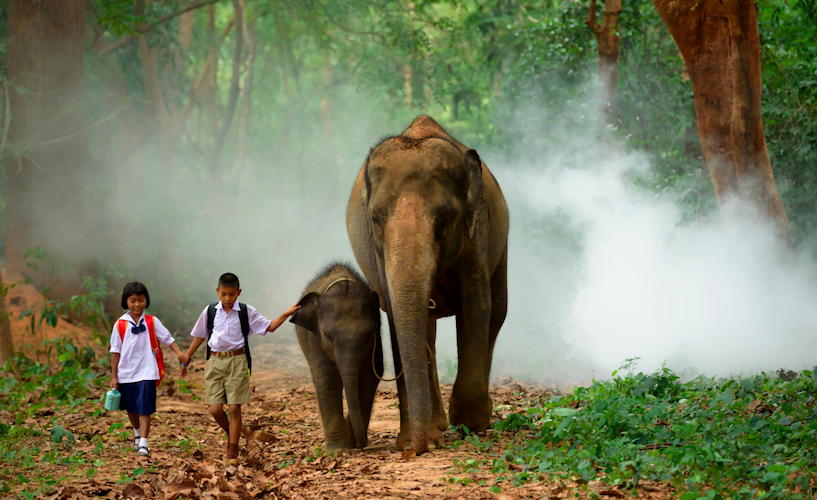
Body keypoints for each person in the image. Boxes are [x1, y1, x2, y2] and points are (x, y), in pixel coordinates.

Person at [180, 272, 299, 465]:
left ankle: (232, 452)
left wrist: (286, 313)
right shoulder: (210, 311)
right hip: (215, 362)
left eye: (232, 294)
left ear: (239, 293)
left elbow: (269, 327)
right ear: (218, 291)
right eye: (224, 294)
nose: (227, 299)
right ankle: (233, 433)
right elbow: (200, 336)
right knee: (215, 409)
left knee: (235, 408)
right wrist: (186, 359)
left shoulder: (246, 312)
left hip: (237, 361)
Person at [110, 282, 190, 457]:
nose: (137, 304)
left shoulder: (152, 321)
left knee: (145, 407)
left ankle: (144, 443)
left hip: (148, 370)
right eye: (133, 301)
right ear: (126, 302)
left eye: (141, 300)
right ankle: (137, 433)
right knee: (131, 408)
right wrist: (114, 376)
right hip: (126, 372)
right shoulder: (120, 325)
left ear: (146, 300)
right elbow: (115, 352)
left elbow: (167, 338)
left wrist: (179, 354)